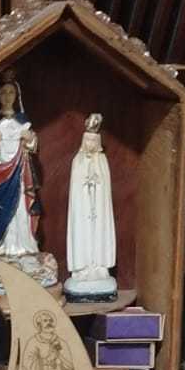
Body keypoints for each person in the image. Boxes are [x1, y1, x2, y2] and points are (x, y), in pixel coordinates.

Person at [0, 71, 41, 258]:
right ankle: (2, 247)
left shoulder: (22, 121)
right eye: (3, 93)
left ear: (16, 95)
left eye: (11, 92)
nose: (7, 96)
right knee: (1, 211)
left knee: (20, 210)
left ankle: (23, 245)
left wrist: (29, 139)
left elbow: (32, 145)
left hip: (19, 175)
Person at [65, 113, 116, 299]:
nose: (91, 144)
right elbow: (76, 186)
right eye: (88, 140)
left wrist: (97, 182)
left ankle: (99, 267)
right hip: (83, 208)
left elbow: (105, 185)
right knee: (83, 234)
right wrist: (86, 182)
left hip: (98, 208)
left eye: (94, 141)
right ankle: (82, 268)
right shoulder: (77, 161)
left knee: (99, 234)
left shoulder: (102, 161)